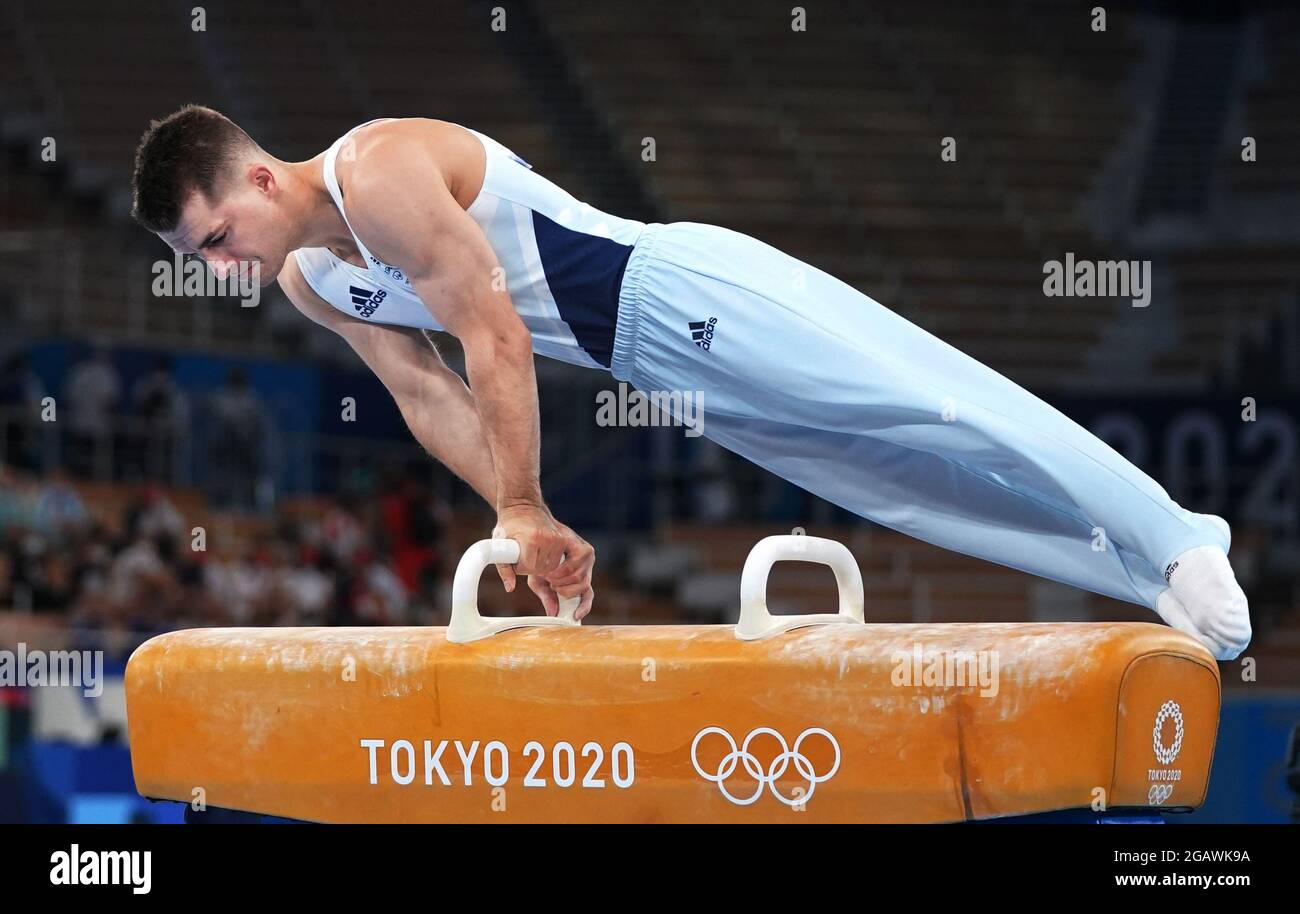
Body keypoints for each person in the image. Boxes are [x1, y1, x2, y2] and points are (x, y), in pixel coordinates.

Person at [129, 106, 1249, 657]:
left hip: (679, 290)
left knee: (932, 400)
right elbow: (426, 397)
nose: (222, 268)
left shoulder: (377, 171)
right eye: (202, 259)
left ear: (263, 178)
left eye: (220, 236)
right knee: (890, 484)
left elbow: (496, 336)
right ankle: (1130, 572)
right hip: (650, 363)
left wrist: (520, 501)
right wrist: (530, 518)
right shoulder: (312, 281)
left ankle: (1173, 526)